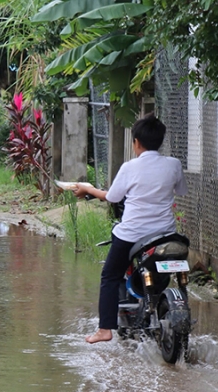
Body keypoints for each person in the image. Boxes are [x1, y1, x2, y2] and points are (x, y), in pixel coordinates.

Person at [72, 114, 187, 344]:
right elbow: (180, 191)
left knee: (110, 276)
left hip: (133, 234)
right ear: (160, 141)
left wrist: (88, 189)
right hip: (165, 234)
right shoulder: (174, 164)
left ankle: (105, 329)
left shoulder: (129, 167)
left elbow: (112, 197)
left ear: (136, 142)